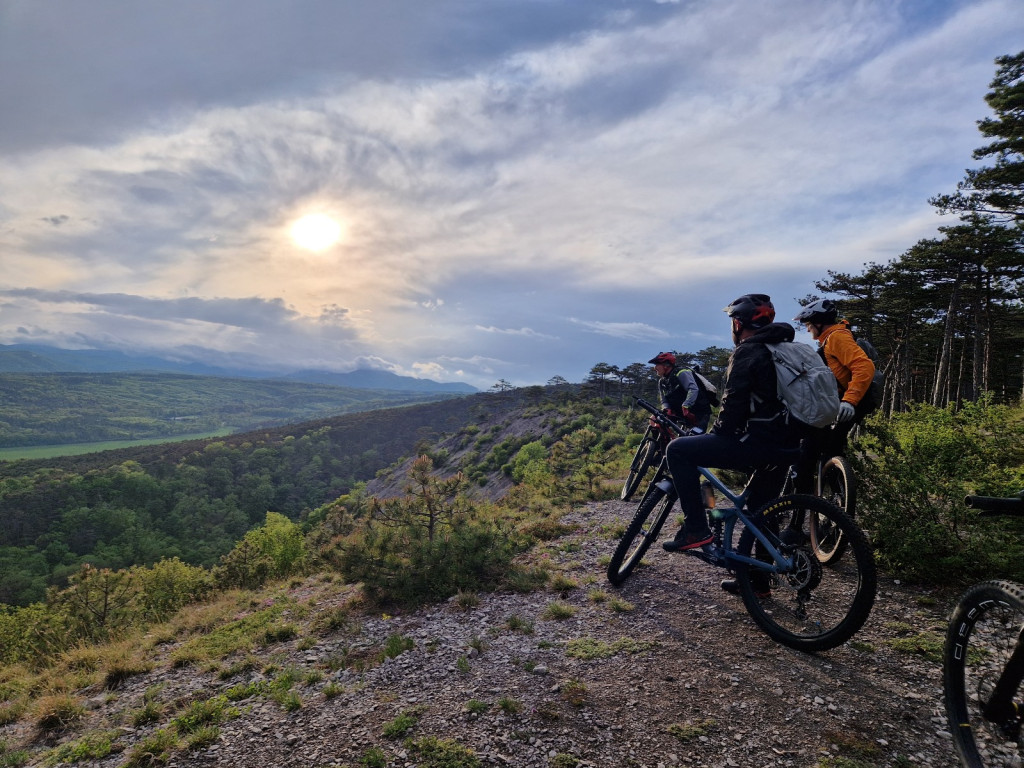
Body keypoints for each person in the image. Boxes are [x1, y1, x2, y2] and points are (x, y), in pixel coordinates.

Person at [661, 294, 800, 558]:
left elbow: (734, 403)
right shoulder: (786, 350)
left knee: (677, 450)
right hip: (789, 444)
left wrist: (717, 435)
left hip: (758, 444)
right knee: (762, 508)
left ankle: (696, 530)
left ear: (738, 323)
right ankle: (759, 576)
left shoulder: (748, 351)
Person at [791, 299, 876, 493]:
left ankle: (803, 504)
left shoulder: (837, 337)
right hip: (841, 404)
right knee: (830, 450)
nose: (807, 329)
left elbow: (864, 366)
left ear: (819, 323)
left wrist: (849, 401)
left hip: (847, 404)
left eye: (808, 324)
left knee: (807, 451)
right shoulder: (830, 340)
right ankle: (836, 498)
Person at [647, 352, 713, 433]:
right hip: (681, 413)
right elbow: (664, 400)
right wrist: (666, 408)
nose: (655, 368)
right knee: (655, 420)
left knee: (695, 435)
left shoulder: (682, 373)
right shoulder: (662, 381)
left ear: (666, 365)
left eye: (657, 364)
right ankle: (662, 440)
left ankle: (696, 435)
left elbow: (693, 389)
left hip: (699, 413)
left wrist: (686, 405)